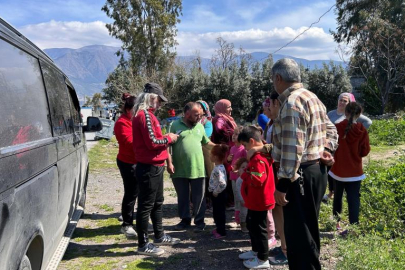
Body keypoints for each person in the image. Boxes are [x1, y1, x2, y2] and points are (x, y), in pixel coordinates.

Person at [263, 58, 338, 269]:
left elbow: (291, 148)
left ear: (278, 78)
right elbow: (331, 129)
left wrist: (282, 186)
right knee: (308, 230)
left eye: (272, 79)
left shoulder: (291, 103)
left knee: (298, 236)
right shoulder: (311, 97)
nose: (272, 84)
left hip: (299, 175)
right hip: (316, 171)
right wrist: (328, 149)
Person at [132, 82, 180, 256]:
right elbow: (153, 142)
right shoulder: (144, 116)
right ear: (151, 98)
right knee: (146, 205)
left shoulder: (146, 115)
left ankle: (159, 236)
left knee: (156, 203)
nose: (160, 105)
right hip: (149, 166)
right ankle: (143, 244)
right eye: (159, 101)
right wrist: (169, 138)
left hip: (154, 165)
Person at [168, 102, 215, 232]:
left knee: (199, 197)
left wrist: (219, 147)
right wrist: (169, 163)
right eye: (196, 115)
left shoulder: (200, 127)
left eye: (200, 115)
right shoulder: (174, 125)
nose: (199, 117)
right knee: (182, 196)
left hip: (198, 168)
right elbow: (167, 146)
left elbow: (206, 142)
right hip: (179, 167)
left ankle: (199, 222)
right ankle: (185, 220)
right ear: (187, 114)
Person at [329, 102, 370, 235]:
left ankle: (336, 222)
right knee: (354, 199)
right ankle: (354, 228)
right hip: (355, 172)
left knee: (337, 197)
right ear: (359, 114)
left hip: (338, 171)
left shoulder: (337, 127)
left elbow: (331, 147)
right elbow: (365, 151)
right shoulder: (362, 130)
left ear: (345, 112)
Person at [237, 126, 275, 270]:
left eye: (245, 146)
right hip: (254, 200)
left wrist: (244, 174)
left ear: (252, 141)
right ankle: (255, 251)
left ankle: (263, 258)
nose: (245, 149)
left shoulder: (258, 158)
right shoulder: (256, 156)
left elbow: (258, 180)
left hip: (260, 200)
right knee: (251, 224)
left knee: (260, 229)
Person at [324, 93, 372, 202]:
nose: (342, 102)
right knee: (330, 171)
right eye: (340, 100)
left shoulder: (350, 115)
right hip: (331, 148)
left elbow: (368, 121)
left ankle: (339, 197)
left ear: (350, 103)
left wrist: (357, 132)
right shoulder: (331, 114)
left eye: (345, 101)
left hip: (345, 150)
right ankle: (331, 193)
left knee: (341, 172)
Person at [264, 92, 288, 266]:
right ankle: (284, 246)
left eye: (269, 105)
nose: (267, 108)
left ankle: (287, 250)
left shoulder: (282, 122)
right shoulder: (272, 123)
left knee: (282, 210)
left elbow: (280, 147)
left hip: (282, 174)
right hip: (275, 173)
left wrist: (259, 148)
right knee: (278, 210)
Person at [114, 93, 138, 238]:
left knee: (139, 192)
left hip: (138, 161)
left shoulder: (134, 120)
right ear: (128, 110)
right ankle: (127, 224)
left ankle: (135, 220)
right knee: (131, 193)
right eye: (134, 111)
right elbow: (129, 143)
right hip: (128, 162)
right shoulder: (122, 123)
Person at [211, 99, 237, 209]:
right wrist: (231, 133)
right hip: (224, 152)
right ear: (221, 108)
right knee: (226, 175)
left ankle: (229, 201)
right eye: (228, 107)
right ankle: (227, 201)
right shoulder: (219, 119)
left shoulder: (227, 119)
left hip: (229, 151)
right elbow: (219, 130)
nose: (231, 109)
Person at [196, 100, 215, 212]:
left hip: (206, 151)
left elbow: (206, 135)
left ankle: (209, 201)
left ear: (204, 110)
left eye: (200, 107)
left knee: (209, 174)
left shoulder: (207, 122)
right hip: (195, 151)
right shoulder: (189, 121)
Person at [208, 144, 229, 239]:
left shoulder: (219, 169)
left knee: (219, 213)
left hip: (219, 194)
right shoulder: (218, 167)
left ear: (215, 157)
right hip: (216, 194)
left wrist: (216, 191)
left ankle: (221, 231)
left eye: (211, 155)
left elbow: (222, 183)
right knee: (216, 212)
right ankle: (218, 228)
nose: (209, 156)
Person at [227, 126, 247, 225]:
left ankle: (241, 219)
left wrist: (239, 170)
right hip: (233, 176)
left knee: (241, 197)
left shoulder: (243, 149)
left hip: (241, 177)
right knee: (236, 197)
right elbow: (230, 162)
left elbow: (245, 163)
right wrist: (229, 160)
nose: (233, 136)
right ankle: (237, 219)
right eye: (233, 134)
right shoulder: (232, 148)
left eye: (236, 134)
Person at [233, 157, 249, 233]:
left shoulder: (249, 178)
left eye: (247, 167)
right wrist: (241, 199)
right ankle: (243, 225)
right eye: (242, 167)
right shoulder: (239, 180)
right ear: (238, 170)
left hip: (250, 200)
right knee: (243, 213)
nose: (245, 169)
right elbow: (238, 191)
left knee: (249, 214)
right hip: (243, 200)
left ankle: (248, 225)